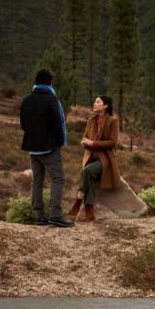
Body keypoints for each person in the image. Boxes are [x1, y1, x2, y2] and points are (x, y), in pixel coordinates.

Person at [19, 69, 73, 227]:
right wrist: (58, 142)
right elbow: (57, 124)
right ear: (49, 82)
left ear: (36, 82)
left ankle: (39, 215)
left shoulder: (26, 100)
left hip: (32, 147)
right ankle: (56, 214)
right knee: (57, 178)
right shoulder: (51, 99)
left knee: (37, 180)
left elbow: (23, 125)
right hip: (49, 147)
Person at [68, 95, 121, 223]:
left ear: (105, 106)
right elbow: (85, 138)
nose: (94, 103)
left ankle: (80, 196)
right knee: (89, 177)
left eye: (98, 102)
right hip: (90, 157)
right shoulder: (91, 121)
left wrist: (93, 143)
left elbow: (112, 142)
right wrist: (85, 142)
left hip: (105, 160)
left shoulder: (113, 121)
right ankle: (90, 214)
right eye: (95, 102)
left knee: (87, 171)